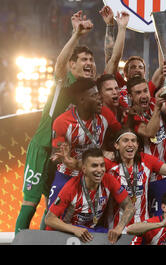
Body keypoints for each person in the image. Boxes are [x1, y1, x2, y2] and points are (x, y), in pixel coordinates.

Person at [16, 10, 96, 233]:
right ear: (72, 65)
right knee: (30, 204)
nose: (88, 62)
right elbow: (60, 64)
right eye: (83, 59)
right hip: (42, 148)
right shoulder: (64, 79)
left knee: (53, 208)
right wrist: (76, 35)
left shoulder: (89, 90)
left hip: (63, 155)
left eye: (91, 59)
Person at [48, 78, 122, 207]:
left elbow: (123, 135)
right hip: (68, 176)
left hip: (96, 177)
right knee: (54, 216)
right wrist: (65, 159)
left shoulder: (105, 114)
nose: (99, 98)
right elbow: (56, 156)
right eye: (94, 95)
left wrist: (113, 151)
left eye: (98, 94)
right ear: (82, 100)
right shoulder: (62, 122)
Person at [45, 148, 135, 244]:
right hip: (70, 231)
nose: (100, 170)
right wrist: (74, 229)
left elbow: (130, 206)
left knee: (118, 238)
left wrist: (119, 228)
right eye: (94, 166)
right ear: (84, 169)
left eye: (102, 165)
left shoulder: (109, 180)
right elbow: (49, 219)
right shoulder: (71, 187)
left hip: (93, 230)